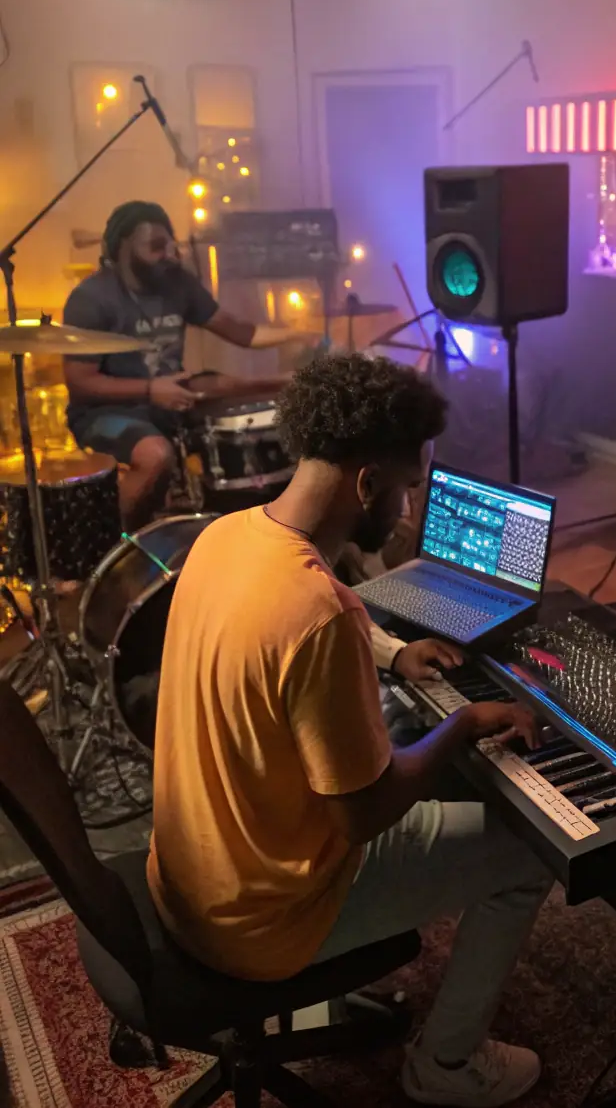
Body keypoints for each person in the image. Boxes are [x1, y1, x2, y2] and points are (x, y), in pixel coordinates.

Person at [148, 352, 552, 1107]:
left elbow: (306, 613)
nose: (409, 507)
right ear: (368, 483)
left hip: (186, 881)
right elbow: (365, 811)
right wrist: (462, 725)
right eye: (407, 486)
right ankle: (448, 1066)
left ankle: (323, 1006)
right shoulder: (319, 615)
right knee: (527, 851)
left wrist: (396, 654)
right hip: (263, 923)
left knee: (385, 718)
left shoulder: (225, 538)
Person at [62, 201, 308, 527]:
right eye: (156, 247)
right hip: (105, 412)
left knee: (228, 390)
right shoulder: (90, 299)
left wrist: (302, 333)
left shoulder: (178, 282)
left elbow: (240, 332)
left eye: (170, 244)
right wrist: (151, 390)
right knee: (156, 456)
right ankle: (107, 549)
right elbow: (80, 383)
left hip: (170, 396)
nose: (169, 254)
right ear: (122, 247)